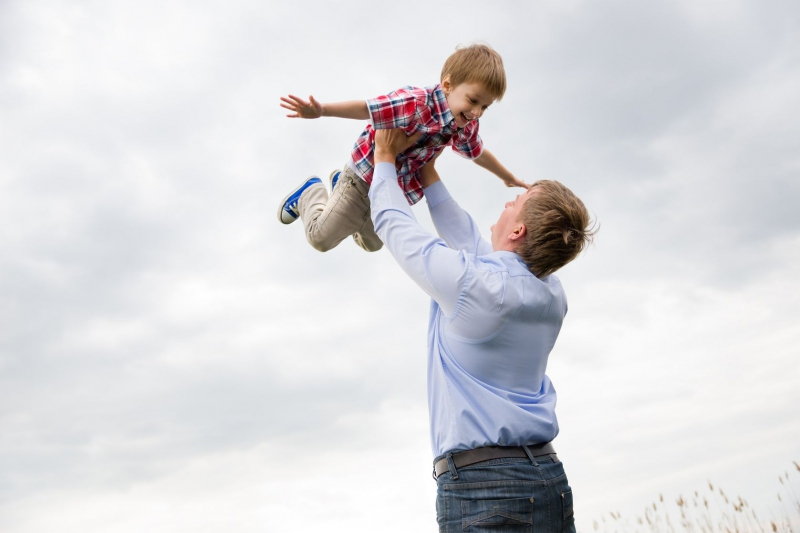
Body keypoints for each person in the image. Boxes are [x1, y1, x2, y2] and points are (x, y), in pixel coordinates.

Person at [369, 127, 596, 532]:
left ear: (517, 231)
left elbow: (394, 225)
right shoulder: (550, 296)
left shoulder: (479, 287)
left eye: (518, 200)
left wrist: (384, 157)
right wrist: (426, 172)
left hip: (484, 489)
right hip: (548, 479)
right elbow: (471, 246)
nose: (510, 200)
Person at [276, 43, 528, 253]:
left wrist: (508, 178)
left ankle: (336, 195)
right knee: (320, 238)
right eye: (473, 100)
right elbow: (367, 108)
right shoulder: (415, 102)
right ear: (448, 85)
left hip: (392, 191)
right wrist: (321, 110)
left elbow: (478, 152)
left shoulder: (465, 124)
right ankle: (312, 192)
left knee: (372, 244)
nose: (476, 112)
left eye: (484, 107)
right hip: (363, 178)